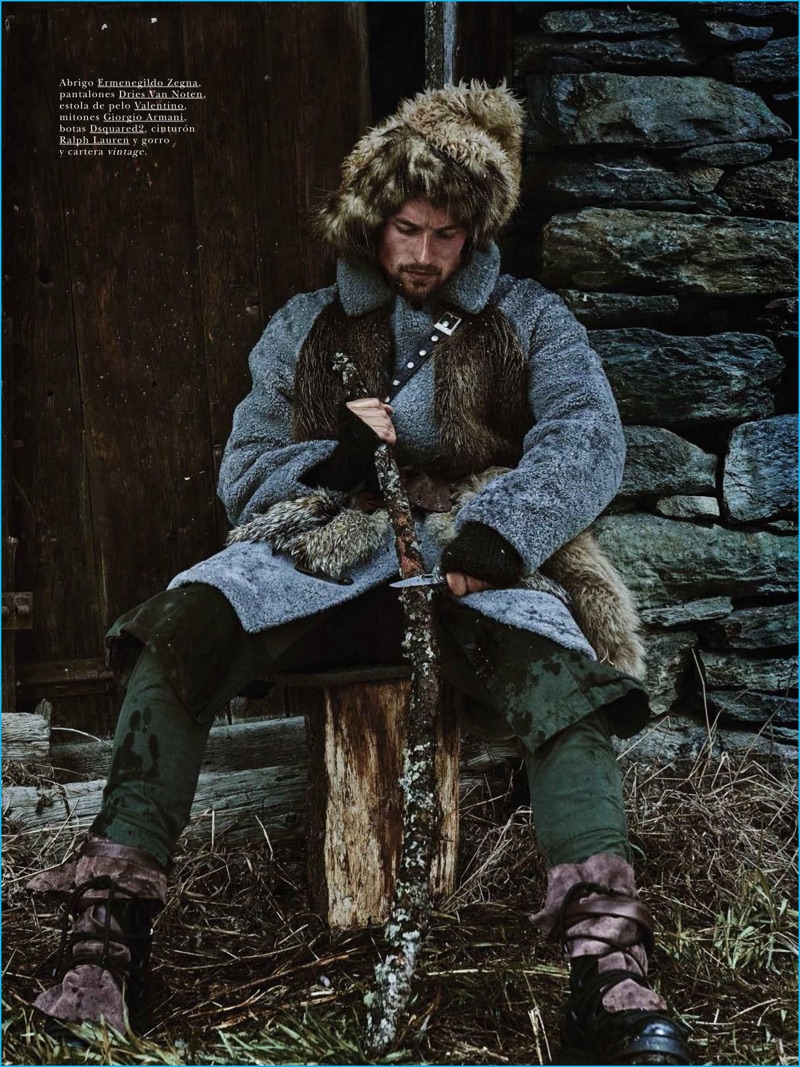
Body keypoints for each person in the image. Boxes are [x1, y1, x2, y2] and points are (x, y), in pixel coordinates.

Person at [27, 83, 691, 1065]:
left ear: (474, 234)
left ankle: (609, 968)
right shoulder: (303, 327)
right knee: (185, 625)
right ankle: (106, 945)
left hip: (468, 567)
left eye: (446, 234)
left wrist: (497, 533)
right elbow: (245, 472)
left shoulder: (529, 318)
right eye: (405, 229)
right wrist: (337, 457)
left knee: (565, 676)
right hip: (322, 559)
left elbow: (585, 442)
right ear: (371, 223)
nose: (422, 256)